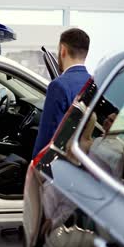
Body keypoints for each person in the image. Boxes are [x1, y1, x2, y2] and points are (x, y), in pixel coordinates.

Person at [32, 28, 90, 157]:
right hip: (83, 159)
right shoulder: (95, 83)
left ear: (63, 50)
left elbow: (47, 135)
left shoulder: (59, 86)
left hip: (61, 161)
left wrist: (34, 165)